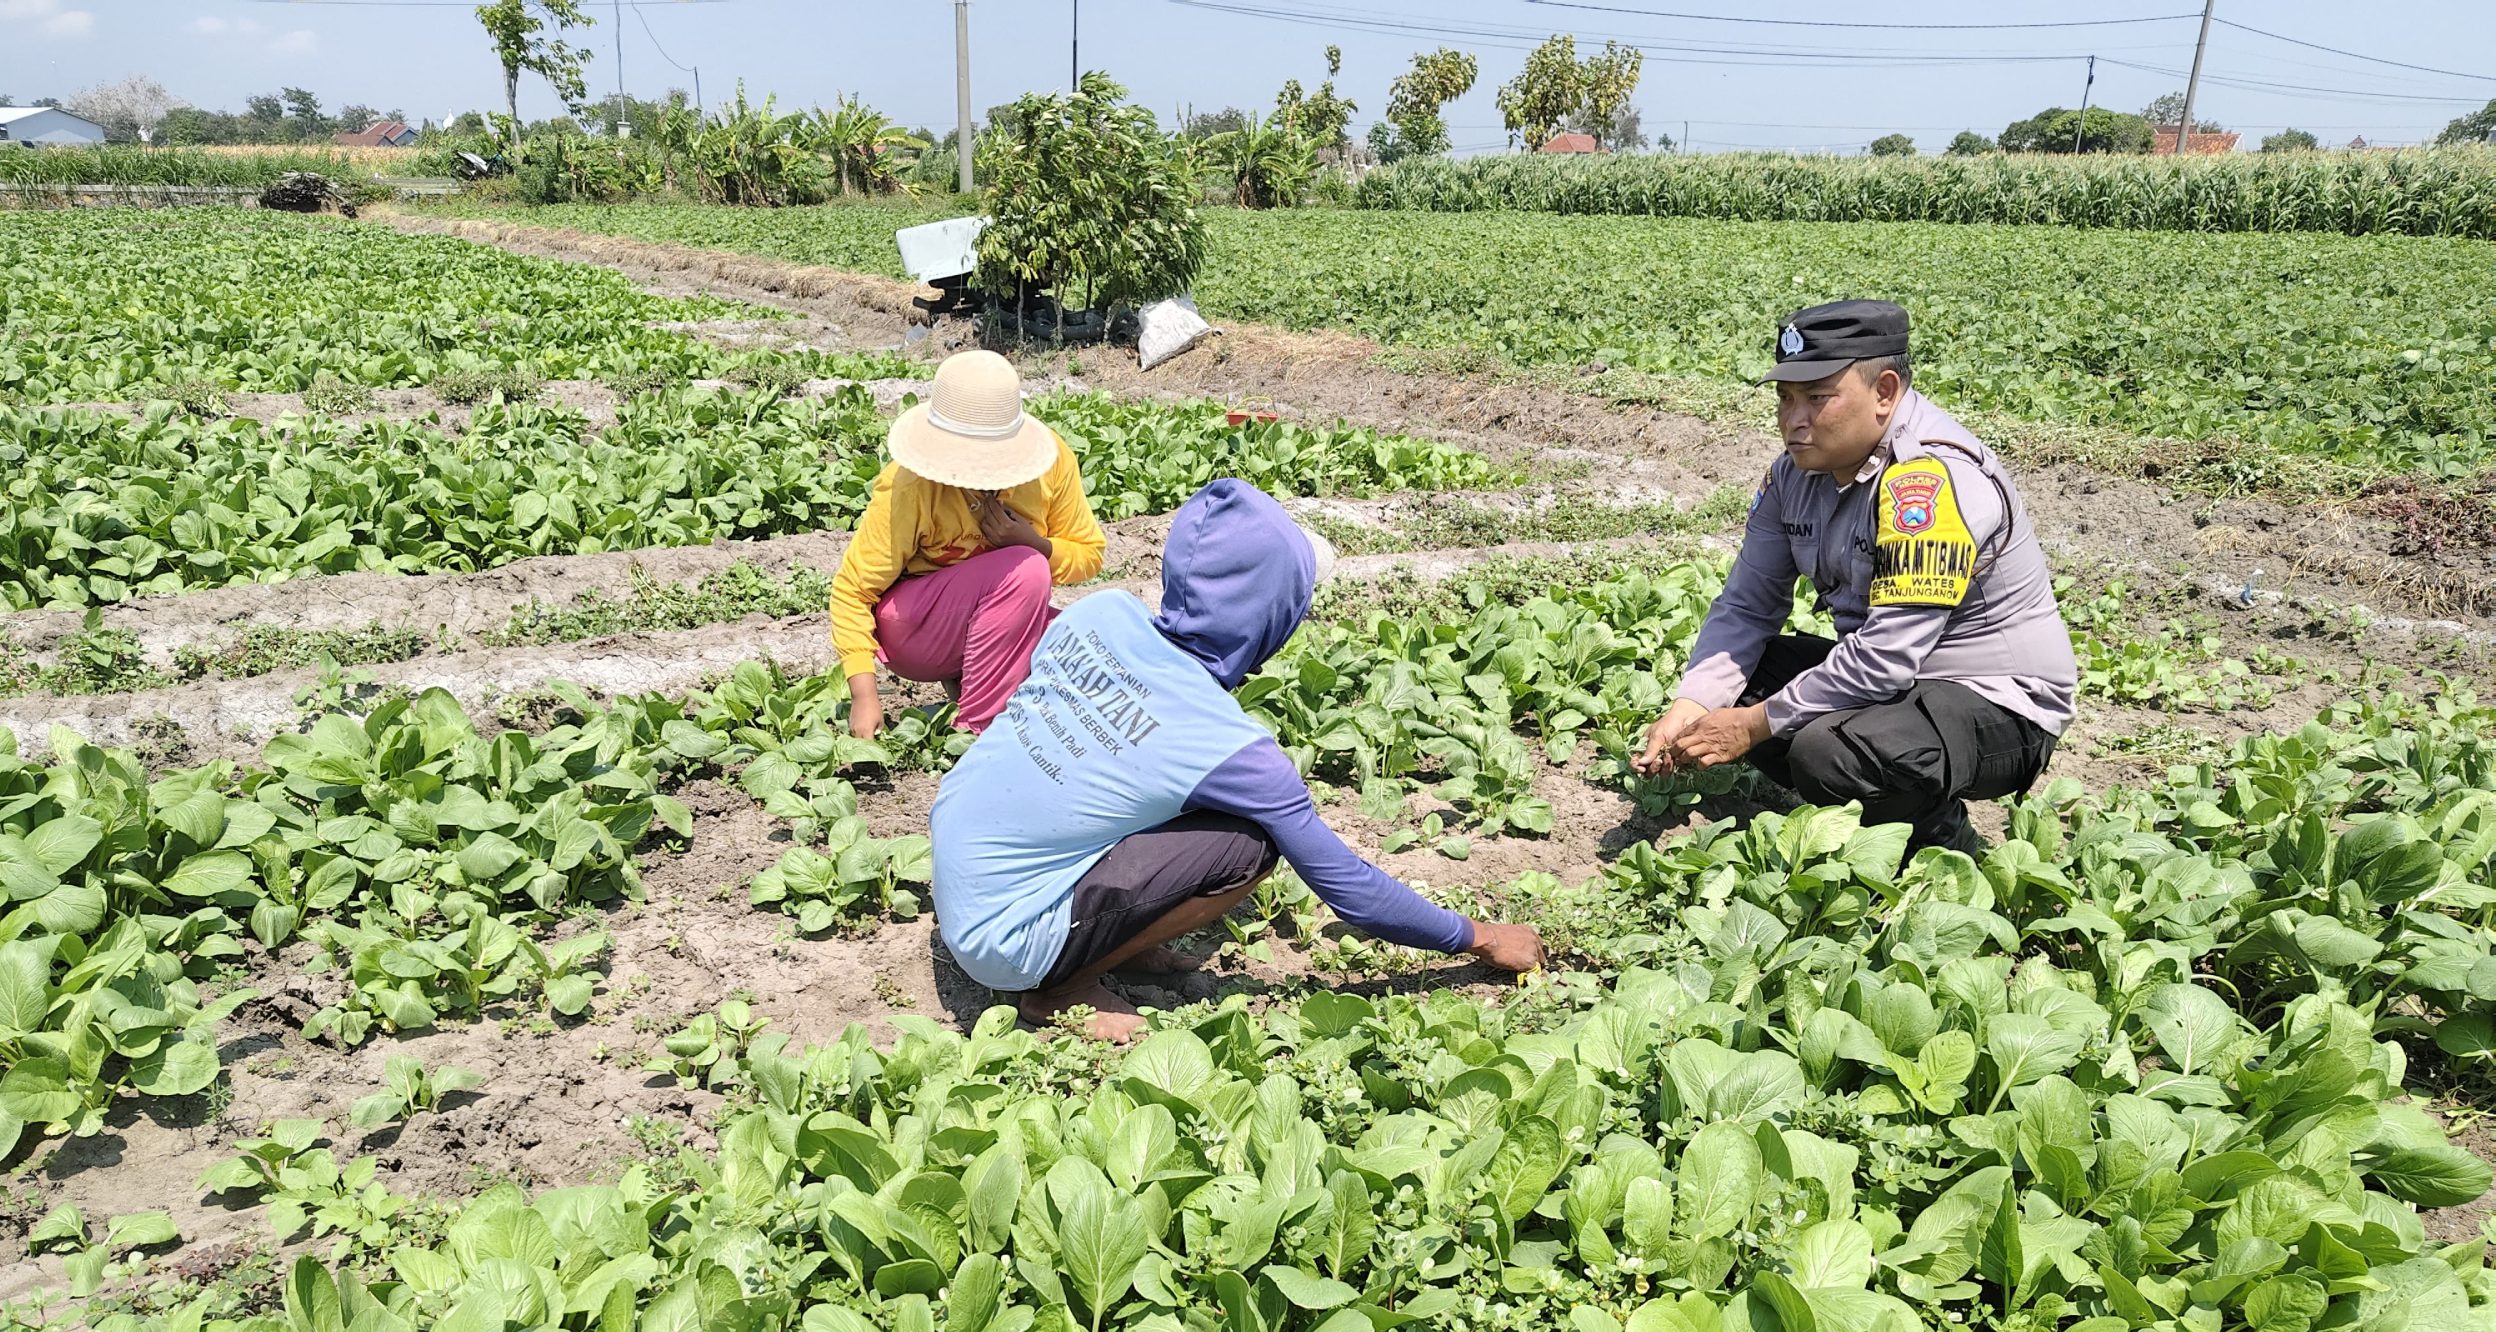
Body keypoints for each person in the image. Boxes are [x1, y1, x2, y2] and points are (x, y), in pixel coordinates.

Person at [930, 480, 1545, 1040]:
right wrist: (1483, 937)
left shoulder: (1101, 613)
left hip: (957, 857)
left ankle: (1116, 945)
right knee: (1247, 844)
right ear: (1272, 615)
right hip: (1004, 940)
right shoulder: (1229, 747)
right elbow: (1348, 890)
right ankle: (1056, 988)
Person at [1635, 300, 2075, 856]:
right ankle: (1879, 800)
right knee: (1739, 681)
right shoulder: (1794, 474)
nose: (1794, 420)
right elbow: (1747, 607)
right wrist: (1692, 707)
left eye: (1817, 398)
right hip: (1897, 687)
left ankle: (1942, 842)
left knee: (1824, 751)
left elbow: (1887, 658)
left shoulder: (1931, 482)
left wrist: (1751, 727)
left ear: (1885, 392)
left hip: (1997, 704)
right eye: (1785, 398)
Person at [829, 349, 1106, 740]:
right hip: (914, 627)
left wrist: (1034, 542)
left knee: (1098, 641)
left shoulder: (1052, 463)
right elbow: (852, 591)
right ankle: (978, 727)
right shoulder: (910, 484)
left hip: (993, 616)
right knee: (1025, 570)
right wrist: (864, 694)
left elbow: (1089, 552)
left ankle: (983, 691)